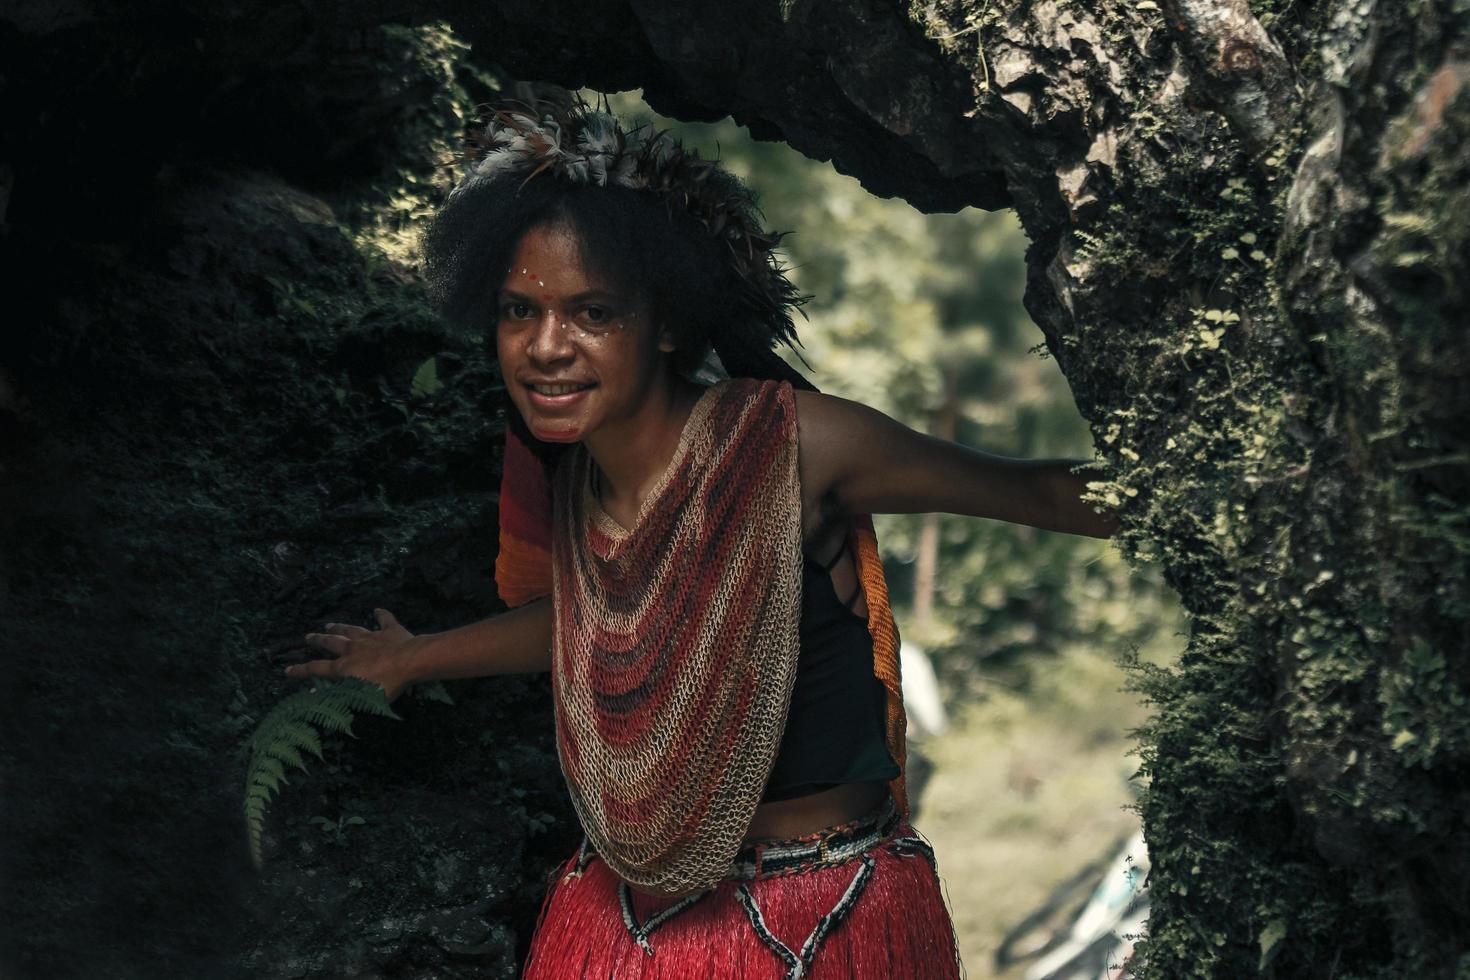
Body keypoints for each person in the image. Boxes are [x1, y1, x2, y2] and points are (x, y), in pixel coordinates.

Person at [285, 99, 1116, 979]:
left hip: (824, 915)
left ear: (669, 322)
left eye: (592, 313)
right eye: (518, 312)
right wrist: (412, 659)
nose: (546, 347)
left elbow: (1034, 491)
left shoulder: (797, 445)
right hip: (621, 917)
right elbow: (592, 621)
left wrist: (1222, 490)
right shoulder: (573, 487)